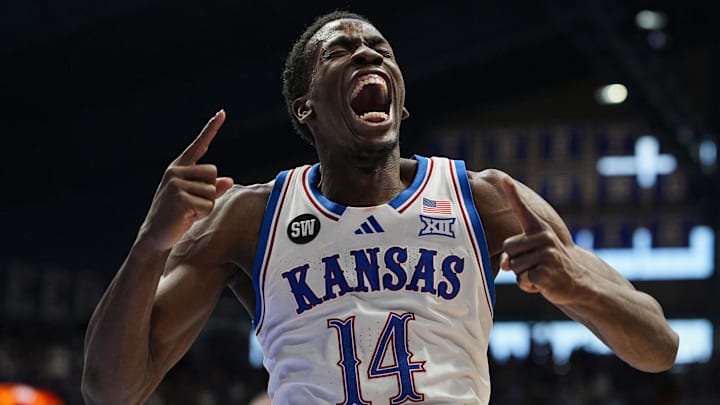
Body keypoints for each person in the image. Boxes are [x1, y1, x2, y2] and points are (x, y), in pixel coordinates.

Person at [81, 10, 679, 405]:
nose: (369, 55)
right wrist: (150, 245)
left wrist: (576, 284)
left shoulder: (487, 199)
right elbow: (110, 389)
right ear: (305, 107)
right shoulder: (250, 217)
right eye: (341, 50)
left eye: (380, 49)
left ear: (400, 101)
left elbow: (658, 347)